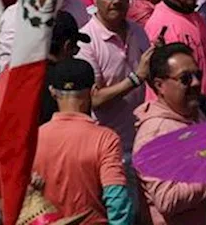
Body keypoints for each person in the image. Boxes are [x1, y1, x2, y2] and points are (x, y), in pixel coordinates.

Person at [33, 58, 133, 225]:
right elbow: (117, 200)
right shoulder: (105, 139)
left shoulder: (34, 139)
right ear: (94, 90)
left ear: (52, 91)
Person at [77, 0, 153, 153]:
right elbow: (93, 99)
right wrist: (136, 78)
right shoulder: (86, 40)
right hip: (106, 149)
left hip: (140, 141)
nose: (117, 0)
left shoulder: (138, 31)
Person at [134, 43, 206, 225]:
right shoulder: (156, 135)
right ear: (160, 85)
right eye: (185, 78)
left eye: (198, 75)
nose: (196, 83)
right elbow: (167, 199)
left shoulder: (196, 113)